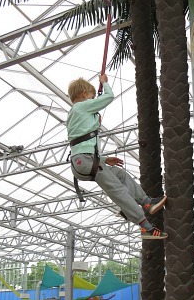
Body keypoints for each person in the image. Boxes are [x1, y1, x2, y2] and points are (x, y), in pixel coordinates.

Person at [68, 74, 167, 240]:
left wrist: (105, 160)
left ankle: (147, 202)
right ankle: (145, 227)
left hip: (85, 161)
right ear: (84, 94)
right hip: (85, 161)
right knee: (117, 189)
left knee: (119, 175)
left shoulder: (75, 114)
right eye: (92, 97)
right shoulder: (82, 107)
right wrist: (104, 83)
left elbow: (83, 143)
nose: (93, 101)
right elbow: (109, 97)